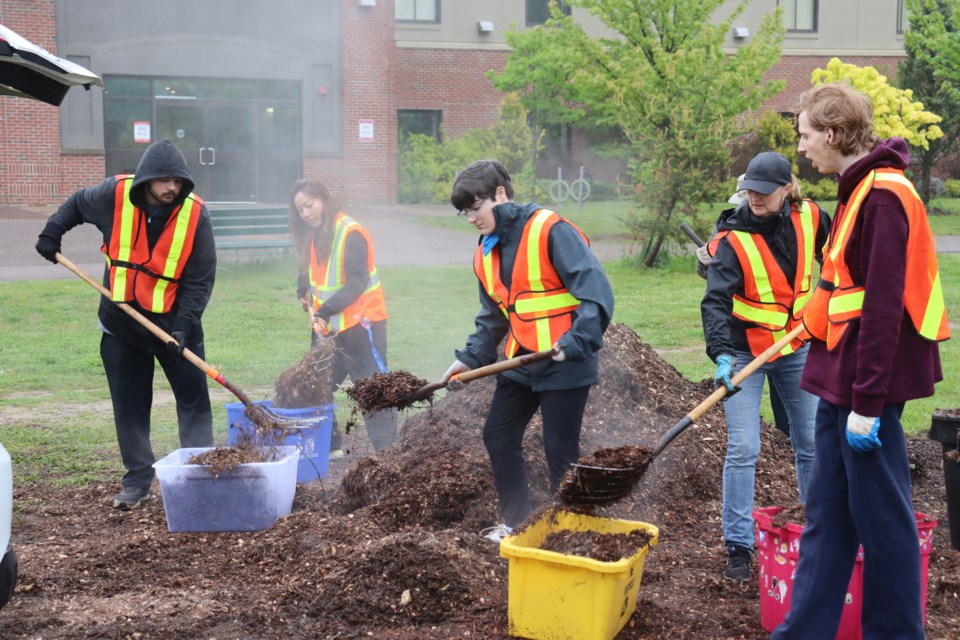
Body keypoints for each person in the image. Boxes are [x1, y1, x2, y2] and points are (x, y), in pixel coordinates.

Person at [771, 83, 950, 638]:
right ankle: (803, 631)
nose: (800, 149)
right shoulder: (860, 188)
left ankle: (896, 633)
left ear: (831, 132)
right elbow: (843, 288)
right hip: (838, 382)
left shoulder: (883, 197)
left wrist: (869, 406)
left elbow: (882, 311)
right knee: (828, 519)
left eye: (804, 136)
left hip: (865, 393)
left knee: (885, 524)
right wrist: (805, 327)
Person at [34, 139, 216, 510]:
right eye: (164, 180)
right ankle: (137, 478)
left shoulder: (196, 215)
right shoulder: (112, 195)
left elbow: (200, 279)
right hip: (121, 322)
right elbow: (75, 204)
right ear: (146, 178)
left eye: (177, 181)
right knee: (129, 404)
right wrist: (52, 232)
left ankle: (199, 472)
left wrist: (182, 327)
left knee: (194, 399)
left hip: (173, 326)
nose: (171, 188)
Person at [441, 160, 615, 543]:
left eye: (475, 207)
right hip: (521, 360)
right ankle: (518, 522)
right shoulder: (485, 252)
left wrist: (573, 344)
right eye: (464, 212)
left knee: (560, 449)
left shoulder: (549, 230)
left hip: (566, 361)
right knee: (498, 436)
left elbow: (597, 295)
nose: (470, 218)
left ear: (500, 195)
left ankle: (572, 529)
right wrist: (469, 358)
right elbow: (493, 317)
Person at [700, 151, 831, 581]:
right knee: (743, 448)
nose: (754, 198)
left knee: (810, 440)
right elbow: (715, 303)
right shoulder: (731, 238)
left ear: (787, 190)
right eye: (749, 191)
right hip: (743, 354)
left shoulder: (811, 217)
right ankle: (738, 544)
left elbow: (838, 263)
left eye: (764, 192)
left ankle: (818, 527)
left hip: (796, 349)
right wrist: (720, 353)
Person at [289, 178, 397, 455]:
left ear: (324, 199)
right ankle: (331, 446)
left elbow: (357, 282)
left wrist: (324, 310)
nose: (306, 213)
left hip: (362, 326)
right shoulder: (313, 234)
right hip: (327, 330)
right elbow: (312, 272)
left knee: (374, 392)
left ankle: (388, 456)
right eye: (300, 210)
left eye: (309, 205)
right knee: (314, 386)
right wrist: (303, 288)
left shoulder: (351, 232)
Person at [697, 174, 793, 440]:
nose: (751, 204)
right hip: (745, 338)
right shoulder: (727, 228)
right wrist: (705, 262)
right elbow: (715, 291)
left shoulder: (793, 223)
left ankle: (786, 438)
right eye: (746, 198)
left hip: (789, 338)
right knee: (742, 444)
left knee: (791, 412)